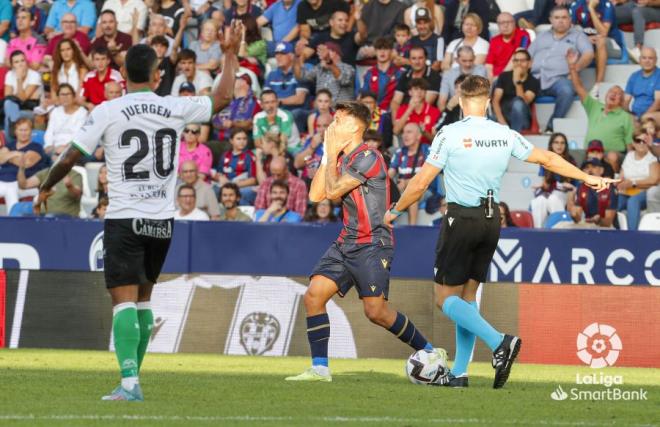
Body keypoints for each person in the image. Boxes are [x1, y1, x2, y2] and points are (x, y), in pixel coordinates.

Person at [33, 22, 242, 401]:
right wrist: (229, 53)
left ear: (124, 74)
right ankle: (131, 381)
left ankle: (130, 384)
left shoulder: (108, 110)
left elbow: (72, 155)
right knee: (144, 300)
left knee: (123, 301)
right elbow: (223, 97)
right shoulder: (174, 106)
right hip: (162, 220)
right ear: (158, 75)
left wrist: (46, 184)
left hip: (126, 216)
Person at [384, 75, 617, 388]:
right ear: (488, 97)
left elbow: (421, 182)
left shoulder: (449, 133)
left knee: (444, 299)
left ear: (459, 97)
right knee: (467, 297)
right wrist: (585, 177)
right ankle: (460, 373)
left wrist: (394, 211)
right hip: (492, 219)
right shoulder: (503, 133)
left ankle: (500, 342)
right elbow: (547, 158)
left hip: (461, 218)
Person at [286, 101, 446, 383]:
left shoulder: (369, 156)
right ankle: (320, 369)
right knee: (313, 295)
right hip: (346, 240)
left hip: (373, 243)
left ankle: (431, 351)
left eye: (338, 120)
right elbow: (314, 196)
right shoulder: (338, 159)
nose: (332, 125)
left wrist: (332, 153)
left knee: (376, 312)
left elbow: (333, 191)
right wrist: (327, 156)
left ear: (355, 127)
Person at [528, 5, 594, 133]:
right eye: (557, 17)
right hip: (535, 78)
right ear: (551, 20)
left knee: (566, 90)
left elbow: (588, 54)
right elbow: (527, 56)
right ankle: (522, 127)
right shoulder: (541, 36)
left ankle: (551, 126)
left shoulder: (578, 36)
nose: (560, 21)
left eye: (564, 17)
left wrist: (574, 70)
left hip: (559, 79)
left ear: (570, 19)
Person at [567, 48, 633, 166]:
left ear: (621, 101)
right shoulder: (595, 106)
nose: (613, 94)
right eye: (611, 91)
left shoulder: (625, 117)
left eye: (618, 94)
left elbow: (630, 145)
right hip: (590, 152)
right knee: (568, 155)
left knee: (612, 156)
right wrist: (572, 66)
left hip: (611, 154)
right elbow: (579, 88)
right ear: (605, 95)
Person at [569, 0, 616, 96]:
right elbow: (570, 32)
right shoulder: (576, 5)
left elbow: (603, 33)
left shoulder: (607, 5)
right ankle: (571, 83)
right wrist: (585, 39)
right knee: (570, 42)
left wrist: (591, 9)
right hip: (587, 43)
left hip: (610, 43)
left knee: (600, 40)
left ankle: (598, 85)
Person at [0, 118, 47, 214]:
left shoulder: (36, 147)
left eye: (26, 130)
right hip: (3, 181)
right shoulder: (10, 145)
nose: (23, 133)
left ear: (31, 131)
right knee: (9, 188)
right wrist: (18, 154)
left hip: (24, 183)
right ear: (15, 131)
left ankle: (12, 222)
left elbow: (26, 163)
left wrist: (8, 156)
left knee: (11, 190)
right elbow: (0, 159)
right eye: (20, 130)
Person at [529, 132, 577, 227]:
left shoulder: (571, 161)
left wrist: (571, 187)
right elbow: (545, 183)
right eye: (556, 142)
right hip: (549, 192)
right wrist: (541, 185)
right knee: (539, 201)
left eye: (562, 143)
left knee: (553, 198)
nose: (559, 145)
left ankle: (559, 228)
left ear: (566, 145)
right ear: (551, 145)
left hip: (565, 194)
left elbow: (574, 185)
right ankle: (537, 232)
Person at [616, 129, 660, 230]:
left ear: (648, 142)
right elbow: (621, 176)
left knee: (633, 202)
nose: (641, 143)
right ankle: (612, 234)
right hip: (627, 191)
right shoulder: (629, 156)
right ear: (633, 143)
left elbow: (654, 180)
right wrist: (620, 183)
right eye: (637, 140)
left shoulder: (652, 157)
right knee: (615, 201)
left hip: (644, 191)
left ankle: (632, 235)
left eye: (643, 141)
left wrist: (633, 183)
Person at [389, 122, 429, 225]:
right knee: (390, 191)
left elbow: (429, 176)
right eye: (403, 132)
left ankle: (412, 228)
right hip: (402, 188)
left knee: (412, 194)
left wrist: (407, 182)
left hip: (423, 190)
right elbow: (389, 176)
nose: (404, 135)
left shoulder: (427, 151)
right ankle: (383, 226)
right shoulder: (399, 152)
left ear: (418, 136)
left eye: (409, 132)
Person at [491, 49, 540, 132]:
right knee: (486, 119)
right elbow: (495, 101)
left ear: (529, 63)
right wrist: (503, 123)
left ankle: (515, 137)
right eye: (516, 60)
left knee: (518, 102)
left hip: (522, 119)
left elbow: (525, 102)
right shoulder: (504, 76)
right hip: (504, 116)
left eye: (522, 61)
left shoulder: (534, 81)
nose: (519, 64)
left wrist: (517, 81)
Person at [17, 156, 82, 217]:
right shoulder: (45, 173)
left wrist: (70, 186)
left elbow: (78, 195)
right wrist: (21, 168)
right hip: (44, 216)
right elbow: (24, 185)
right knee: (21, 217)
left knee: (50, 216)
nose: (60, 157)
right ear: (52, 157)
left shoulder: (75, 175)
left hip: (66, 218)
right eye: (57, 154)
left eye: (63, 154)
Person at [564, 158, 618, 228]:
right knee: (562, 227)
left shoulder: (610, 188)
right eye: (587, 168)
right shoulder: (581, 187)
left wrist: (598, 219)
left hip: (608, 228)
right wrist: (572, 210)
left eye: (594, 167)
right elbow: (577, 218)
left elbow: (608, 221)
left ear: (601, 170)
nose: (590, 170)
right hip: (589, 225)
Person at [389, 45, 441, 117]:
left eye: (420, 58)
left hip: (423, 116)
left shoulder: (434, 76)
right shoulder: (405, 75)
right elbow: (396, 101)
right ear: (409, 60)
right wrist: (396, 121)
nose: (417, 62)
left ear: (426, 59)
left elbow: (427, 102)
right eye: (414, 58)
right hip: (403, 114)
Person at [3, 50, 42, 141]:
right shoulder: (9, 74)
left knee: (9, 115)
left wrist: (19, 79)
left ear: (26, 62)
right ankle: (12, 123)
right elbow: (7, 96)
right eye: (16, 62)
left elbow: (22, 99)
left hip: (29, 111)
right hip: (13, 110)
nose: (20, 64)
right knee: (9, 105)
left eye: (22, 60)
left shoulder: (34, 75)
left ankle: (10, 142)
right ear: (12, 65)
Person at [44, 84, 88, 160]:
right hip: (54, 148)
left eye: (68, 94)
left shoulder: (82, 113)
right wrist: (48, 146)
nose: (65, 97)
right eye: (62, 94)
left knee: (59, 159)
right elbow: (49, 132)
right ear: (58, 97)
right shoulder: (55, 111)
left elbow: (79, 136)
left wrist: (65, 148)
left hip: (73, 148)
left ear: (73, 96)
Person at [438, 45, 486, 112]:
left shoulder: (481, 70)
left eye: (470, 60)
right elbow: (441, 101)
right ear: (457, 60)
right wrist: (445, 115)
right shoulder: (448, 74)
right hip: (454, 110)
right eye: (464, 61)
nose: (468, 64)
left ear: (474, 58)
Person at [359, 37, 402, 111]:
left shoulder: (399, 73)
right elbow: (363, 97)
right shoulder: (369, 73)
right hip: (372, 113)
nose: (382, 52)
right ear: (375, 52)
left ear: (391, 51)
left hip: (391, 114)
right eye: (379, 49)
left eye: (385, 49)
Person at [216, 129, 258, 204]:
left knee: (242, 193)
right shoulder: (225, 155)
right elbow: (219, 173)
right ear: (231, 141)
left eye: (244, 139)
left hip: (240, 186)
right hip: (225, 185)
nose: (242, 141)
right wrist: (220, 177)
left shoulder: (250, 156)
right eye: (238, 139)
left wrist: (233, 185)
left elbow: (253, 180)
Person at [486, 12, 531, 80]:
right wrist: (490, 79)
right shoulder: (494, 40)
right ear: (498, 25)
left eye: (508, 22)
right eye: (502, 23)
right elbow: (489, 64)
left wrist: (499, 78)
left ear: (514, 23)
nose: (505, 25)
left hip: (512, 75)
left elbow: (519, 57)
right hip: (494, 77)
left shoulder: (523, 35)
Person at [393, 78, 440, 143]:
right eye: (416, 89)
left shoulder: (434, 111)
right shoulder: (403, 109)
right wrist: (410, 109)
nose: (419, 92)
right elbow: (396, 131)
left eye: (422, 89)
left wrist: (424, 132)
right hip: (407, 148)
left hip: (427, 148)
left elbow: (437, 141)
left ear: (425, 92)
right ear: (410, 92)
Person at [624, 46, 660, 121]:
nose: (647, 61)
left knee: (647, 119)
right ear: (640, 60)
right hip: (635, 114)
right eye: (644, 58)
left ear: (656, 60)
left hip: (654, 113)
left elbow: (658, 102)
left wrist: (642, 118)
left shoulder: (658, 75)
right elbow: (626, 100)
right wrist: (629, 115)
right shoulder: (634, 76)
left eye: (650, 58)